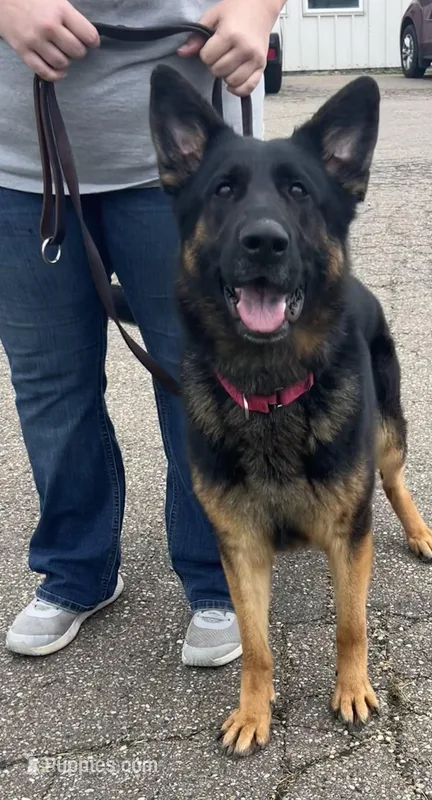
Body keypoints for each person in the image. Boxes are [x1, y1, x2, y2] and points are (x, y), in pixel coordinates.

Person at [0, 0, 285, 665]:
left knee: (205, 378)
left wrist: (259, 7)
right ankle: (77, 569)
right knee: (49, 383)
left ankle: (218, 575)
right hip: (19, 153)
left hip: (192, 150)